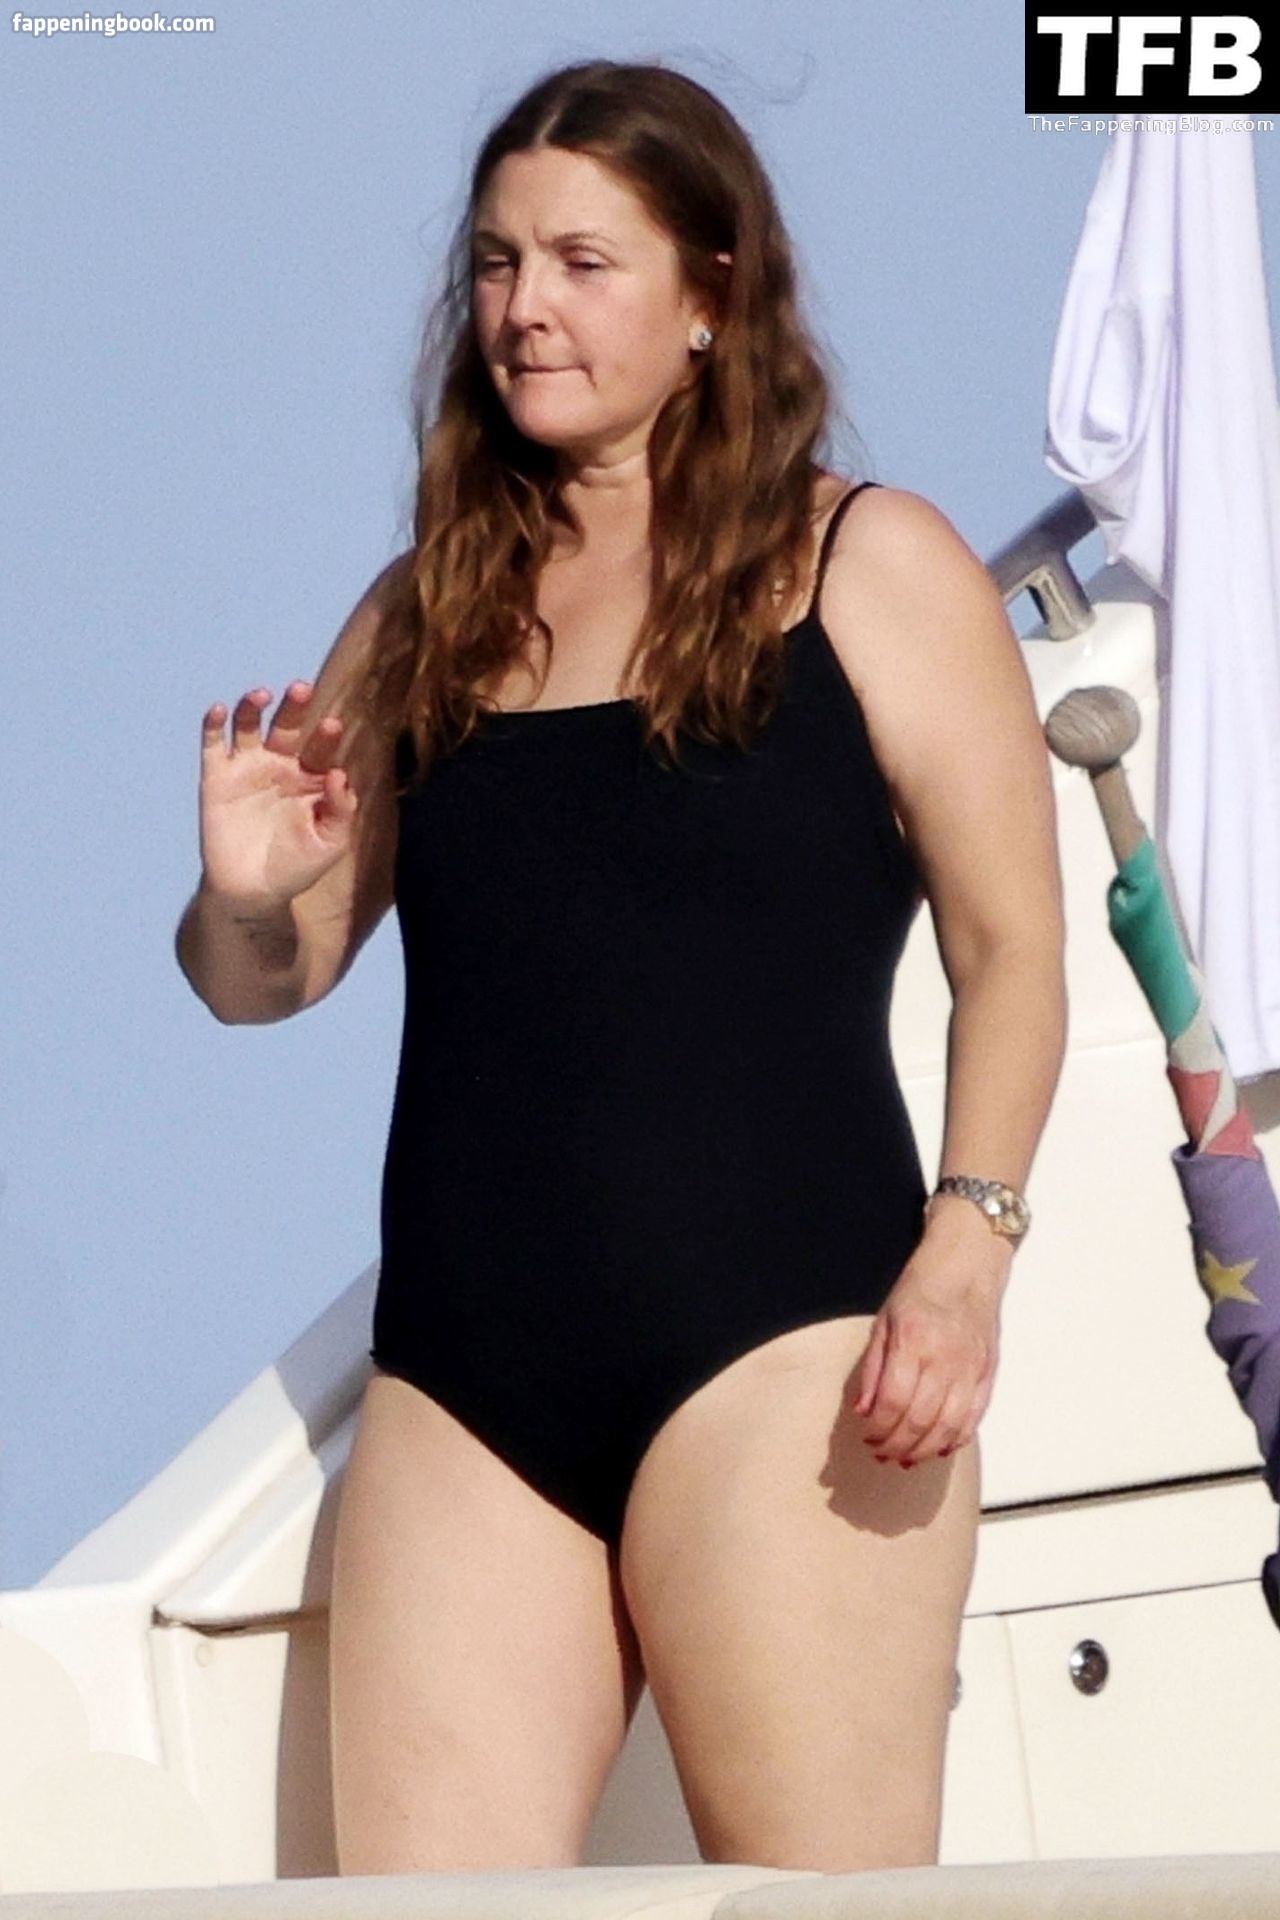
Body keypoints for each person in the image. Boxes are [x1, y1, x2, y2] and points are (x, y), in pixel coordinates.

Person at [176, 58, 1067, 1879]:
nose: (527, 308)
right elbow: (262, 980)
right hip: (467, 1385)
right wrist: (245, 892)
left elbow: (1015, 950)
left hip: (790, 1355)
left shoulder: (868, 563)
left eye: (585, 263)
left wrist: (967, 1253)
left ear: (710, 297)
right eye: (501, 264)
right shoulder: (423, 609)